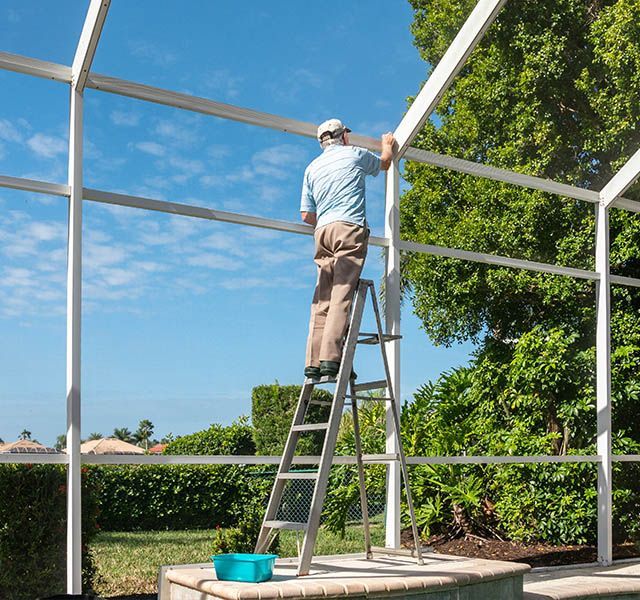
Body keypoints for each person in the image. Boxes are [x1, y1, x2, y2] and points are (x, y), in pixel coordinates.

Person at [300, 118, 396, 379]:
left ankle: (313, 362)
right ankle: (331, 359)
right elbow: (385, 163)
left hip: (322, 232)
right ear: (343, 136)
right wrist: (387, 145)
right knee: (342, 293)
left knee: (322, 298)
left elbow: (307, 215)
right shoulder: (354, 154)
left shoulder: (312, 168)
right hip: (348, 228)